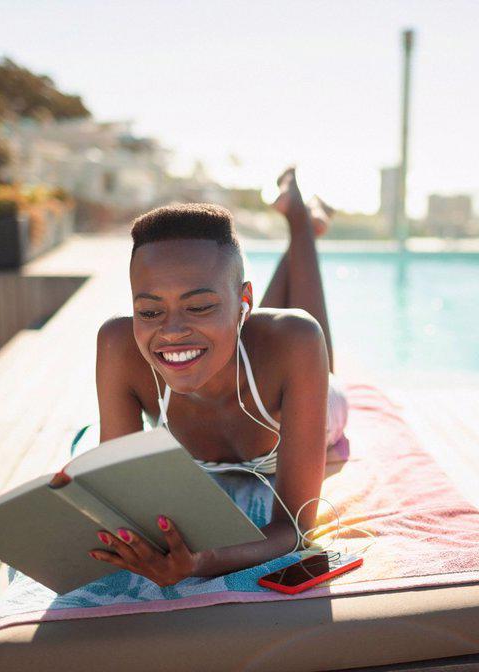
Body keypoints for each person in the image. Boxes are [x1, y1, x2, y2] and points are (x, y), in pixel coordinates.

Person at [88, 167, 346, 587]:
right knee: (240, 330)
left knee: (302, 332)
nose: (170, 331)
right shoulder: (119, 345)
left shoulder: (294, 344)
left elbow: (294, 528)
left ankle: (301, 222)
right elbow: (119, 496)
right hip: (242, 334)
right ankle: (301, 231)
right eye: (150, 311)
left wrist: (200, 562)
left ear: (244, 298)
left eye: (198, 306)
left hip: (324, 408)